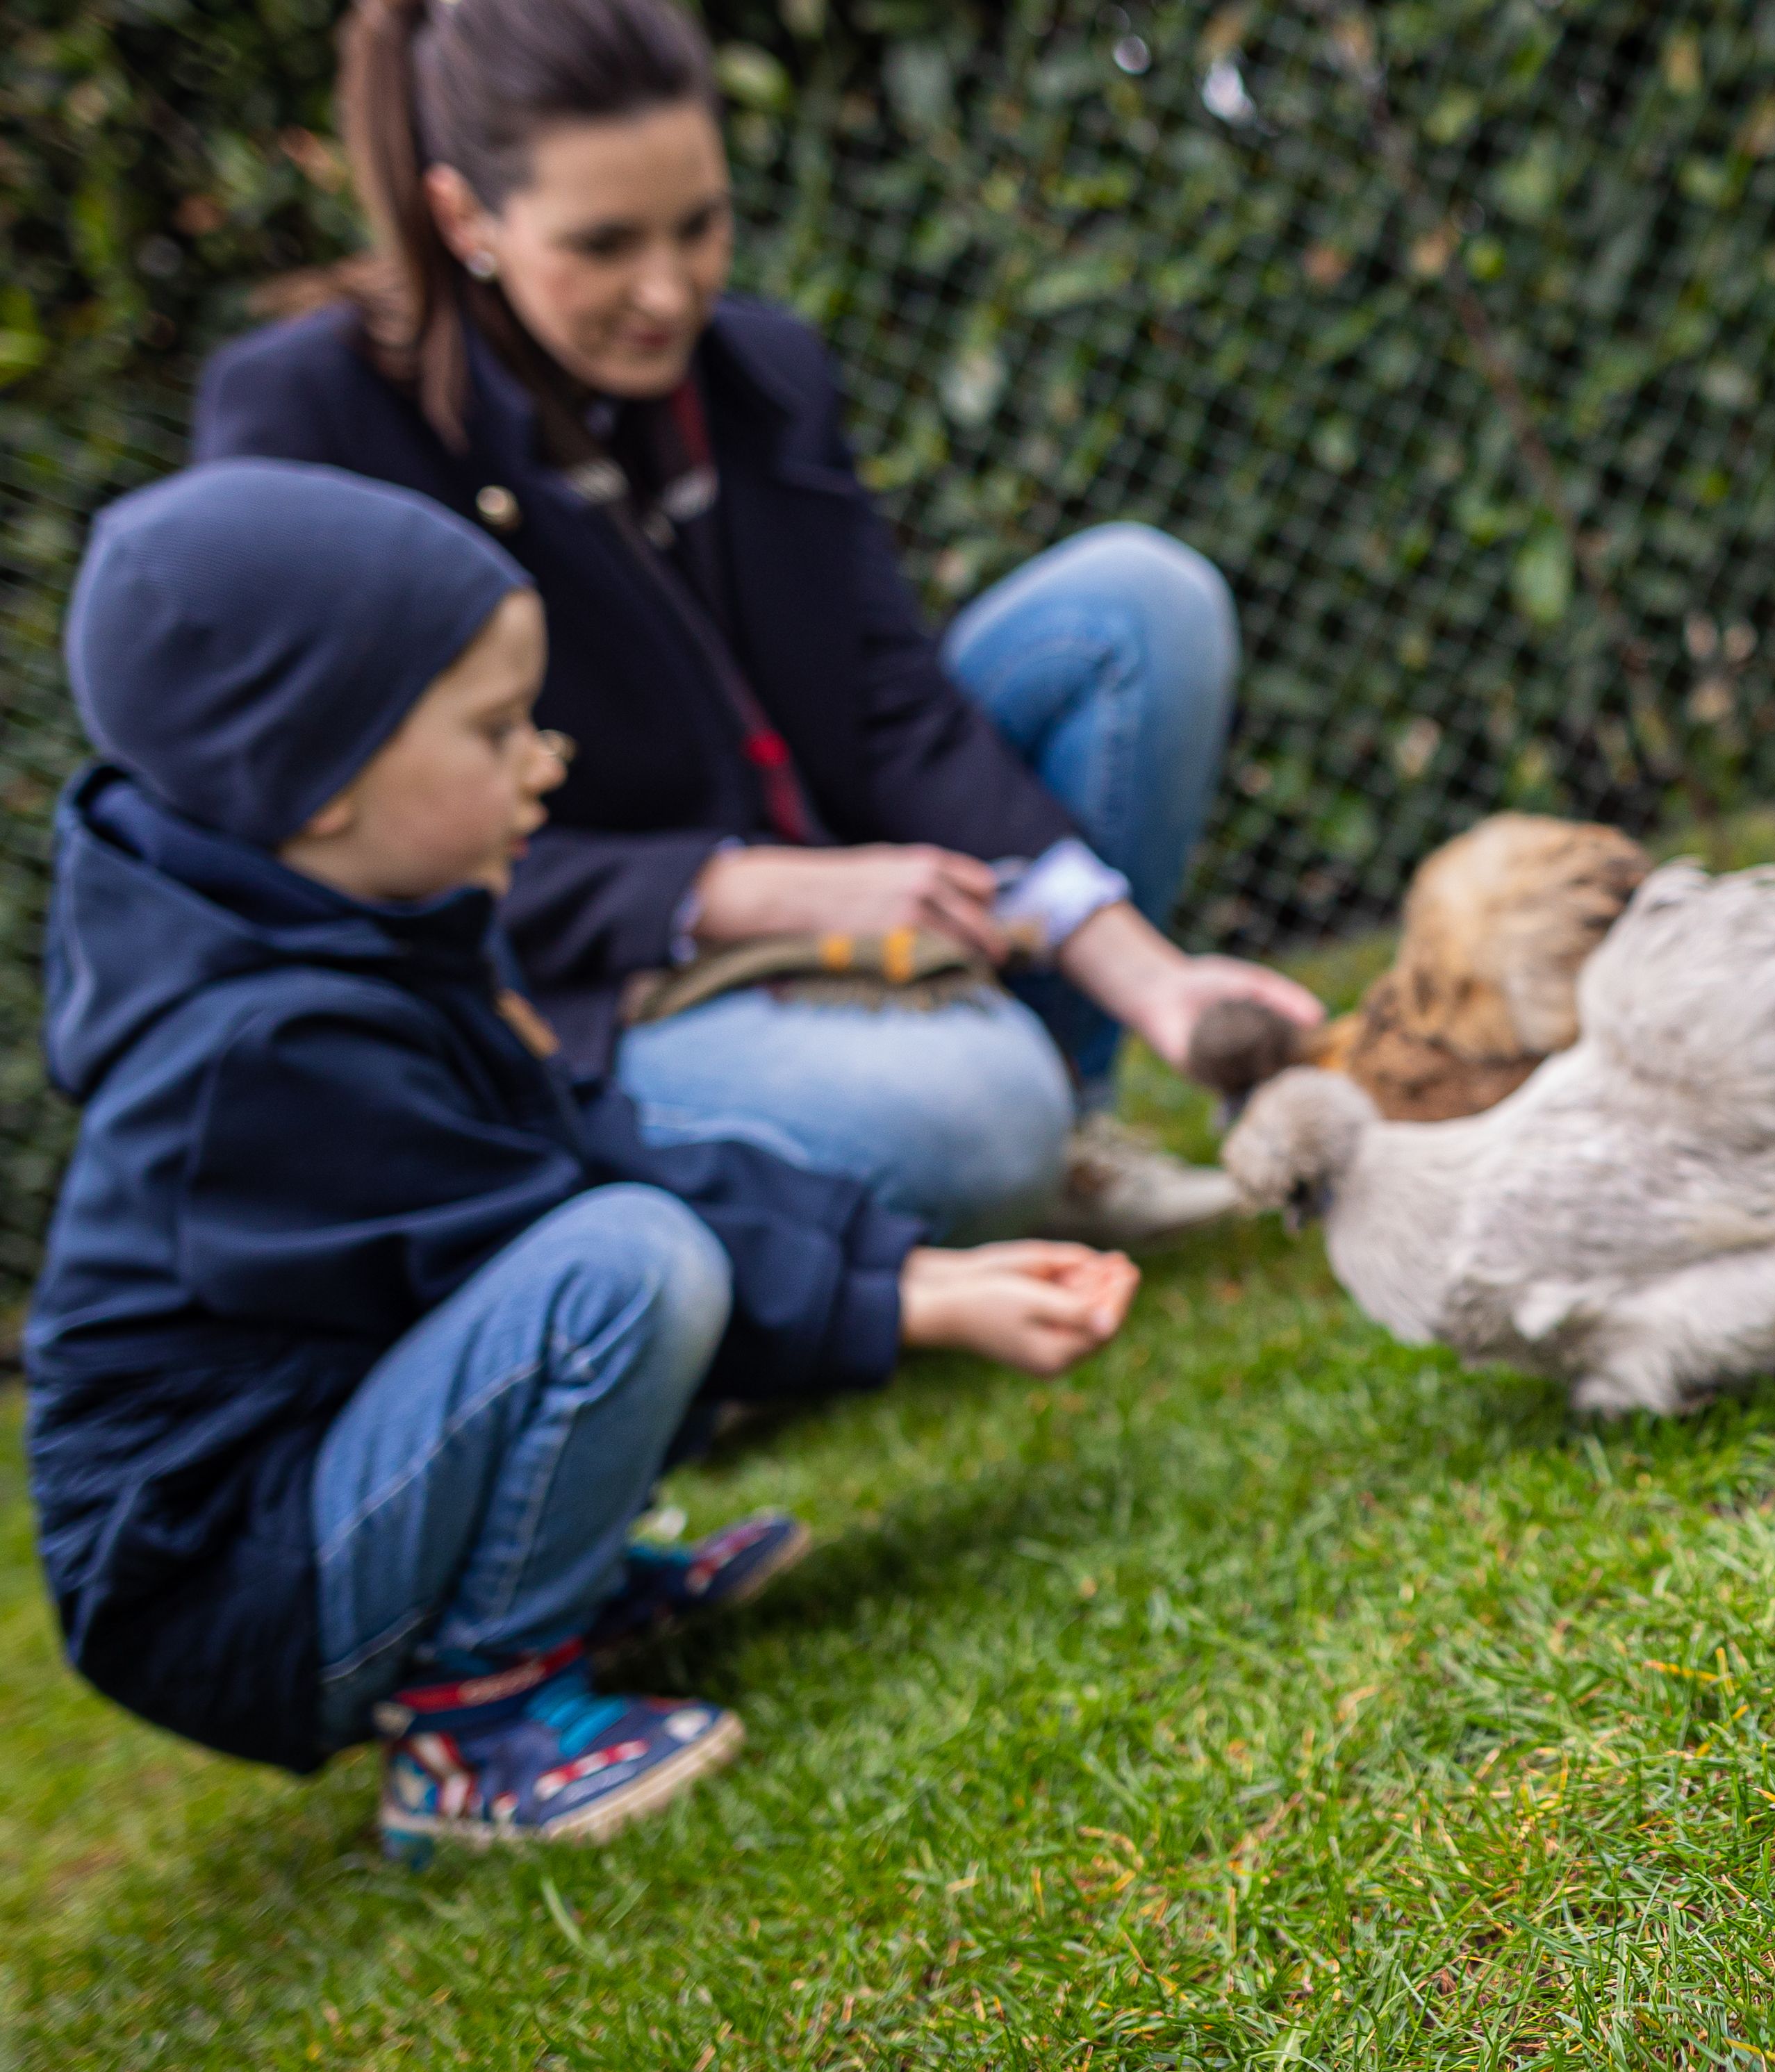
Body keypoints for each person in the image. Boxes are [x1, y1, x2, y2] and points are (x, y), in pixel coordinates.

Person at [24, 458, 1141, 1853]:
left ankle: (555, 1583)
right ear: (318, 786)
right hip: (232, 1589)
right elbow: (560, 1215)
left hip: (313, 1496)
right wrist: (909, 1304)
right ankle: (476, 1717)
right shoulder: (257, 1049)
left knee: (636, 1225)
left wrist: (901, 1259)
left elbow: (596, 1134)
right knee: (627, 1266)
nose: (544, 760)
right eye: (496, 730)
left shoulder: (372, 923)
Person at [192, 0, 1320, 1248]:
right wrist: (739, 889)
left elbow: (891, 703)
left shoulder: (766, 372)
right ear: (468, 219)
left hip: (831, 877)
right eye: (605, 243)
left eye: (701, 224)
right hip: (586, 979)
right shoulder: (314, 419)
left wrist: (1147, 976)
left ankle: (1074, 1130)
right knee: (978, 1121)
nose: (669, 291)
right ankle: (921, 1166)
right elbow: (340, 853)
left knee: (1138, 603)